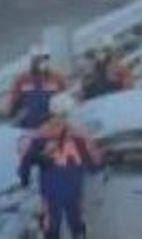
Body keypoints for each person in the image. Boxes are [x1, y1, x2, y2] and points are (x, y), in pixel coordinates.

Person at [19, 93, 102, 239]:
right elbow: (94, 161)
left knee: (54, 225)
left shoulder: (39, 135)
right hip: (71, 186)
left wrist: (24, 179)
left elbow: (25, 162)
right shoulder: (79, 134)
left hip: (52, 188)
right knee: (74, 223)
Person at [4, 47, 68, 130]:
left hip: (52, 124)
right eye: (37, 59)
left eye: (43, 59)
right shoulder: (22, 79)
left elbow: (66, 99)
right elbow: (12, 101)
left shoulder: (57, 77)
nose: (40, 62)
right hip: (29, 126)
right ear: (32, 61)